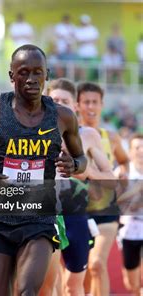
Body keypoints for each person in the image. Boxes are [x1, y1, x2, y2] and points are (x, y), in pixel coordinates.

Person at [0, 44, 87, 295]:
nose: (31, 79)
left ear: (47, 75)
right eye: (24, 72)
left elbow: (81, 158)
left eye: (38, 72)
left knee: (27, 292)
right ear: (11, 76)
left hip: (40, 217)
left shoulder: (63, 116)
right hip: (0, 216)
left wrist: (74, 164)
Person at [47, 78, 116, 296]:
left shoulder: (88, 135)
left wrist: (86, 172)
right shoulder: (32, 133)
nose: (59, 104)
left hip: (75, 215)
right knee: (49, 284)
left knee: (73, 285)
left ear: (75, 105)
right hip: (44, 214)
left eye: (64, 100)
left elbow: (111, 178)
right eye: (54, 99)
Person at [76, 81, 130, 296]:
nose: (90, 106)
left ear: (101, 104)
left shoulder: (111, 138)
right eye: (86, 102)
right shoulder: (72, 137)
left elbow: (124, 161)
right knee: (83, 273)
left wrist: (122, 172)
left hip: (106, 211)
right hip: (79, 211)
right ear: (78, 105)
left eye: (95, 102)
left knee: (97, 263)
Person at [117, 133, 143, 296]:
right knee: (131, 283)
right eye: (137, 147)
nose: (141, 151)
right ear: (130, 151)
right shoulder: (122, 172)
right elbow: (114, 201)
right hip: (128, 232)